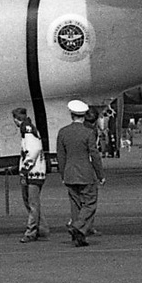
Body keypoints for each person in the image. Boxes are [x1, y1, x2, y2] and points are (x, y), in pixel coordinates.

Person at [57, 99, 106, 247]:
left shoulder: (63, 132)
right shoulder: (88, 133)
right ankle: (78, 227)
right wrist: (100, 175)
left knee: (75, 205)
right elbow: (94, 155)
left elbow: (61, 156)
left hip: (69, 173)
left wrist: (63, 174)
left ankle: (79, 237)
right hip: (85, 173)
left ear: (71, 115)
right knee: (90, 204)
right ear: (84, 116)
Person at [12, 108, 48, 242]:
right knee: (33, 203)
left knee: (31, 203)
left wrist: (24, 169)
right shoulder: (29, 129)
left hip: (33, 173)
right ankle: (42, 228)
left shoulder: (27, 131)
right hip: (35, 172)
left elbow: (33, 151)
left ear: (16, 119)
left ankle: (31, 232)